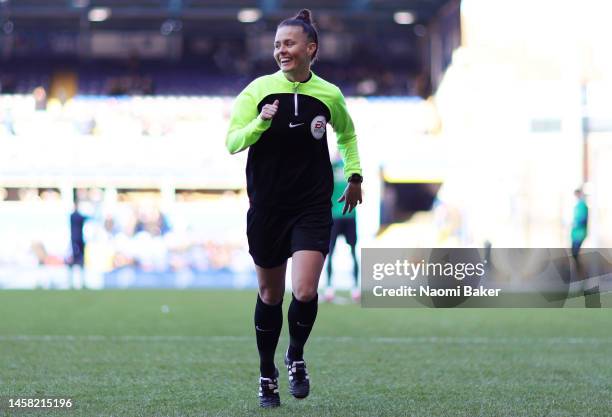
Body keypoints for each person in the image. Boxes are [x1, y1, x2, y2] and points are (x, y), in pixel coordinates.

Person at [225, 9, 362, 408]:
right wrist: (259, 124)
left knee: (304, 289)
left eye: (288, 44)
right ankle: (267, 372)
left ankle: (295, 356)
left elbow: (348, 135)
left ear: (310, 48)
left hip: (312, 205)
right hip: (267, 206)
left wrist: (355, 176)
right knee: (270, 294)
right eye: (277, 45)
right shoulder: (257, 91)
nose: (280, 51)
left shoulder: (329, 94)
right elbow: (233, 141)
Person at [325, 155, 360, 302]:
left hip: (346, 215)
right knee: (334, 252)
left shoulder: (347, 169)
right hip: (338, 215)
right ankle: (330, 288)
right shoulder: (334, 167)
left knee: (346, 252)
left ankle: (352, 288)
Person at [571, 188, 588, 259]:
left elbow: (582, 220)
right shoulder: (578, 205)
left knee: (575, 253)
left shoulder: (583, 206)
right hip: (576, 233)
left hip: (579, 232)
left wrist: (576, 224)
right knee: (574, 252)